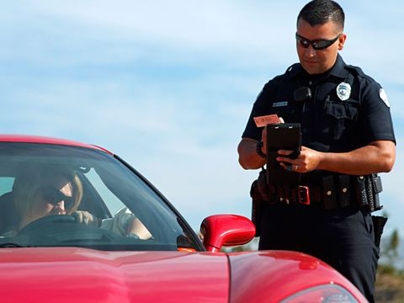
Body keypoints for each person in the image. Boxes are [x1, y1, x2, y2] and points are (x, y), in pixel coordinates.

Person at [237, 1, 396, 302]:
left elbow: (384, 156)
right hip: (282, 219)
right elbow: (244, 154)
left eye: (320, 44)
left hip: (342, 221)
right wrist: (262, 148)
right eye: (302, 42)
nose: (309, 52)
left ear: (342, 41)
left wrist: (320, 160)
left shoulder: (363, 89)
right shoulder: (276, 89)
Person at [2, 164, 97, 236]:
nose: (62, 208)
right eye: (52, 196)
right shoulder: (5, 246)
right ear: (25, 196)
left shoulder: (78, 242)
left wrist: (92, 225)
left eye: (68, 202)